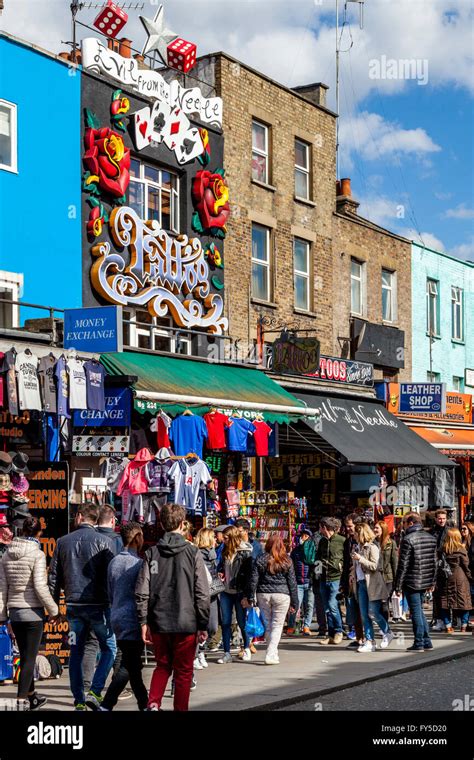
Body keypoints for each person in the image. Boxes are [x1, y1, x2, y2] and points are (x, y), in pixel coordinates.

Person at [135, 504, 210, 712]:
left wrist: (143, 621)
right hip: (187, 622)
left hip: (159, 620)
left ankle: (153, 703)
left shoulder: (151, 553)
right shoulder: (193, 553)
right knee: (184, 672)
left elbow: (142, 590)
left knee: (162, 665)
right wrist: (203, 623)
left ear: (161, 524)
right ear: (181, 523)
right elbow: (202, 592)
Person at [49, 503, 116, 711]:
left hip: (74, 608)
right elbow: (112, 577)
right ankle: (95, 690)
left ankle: (79, 699)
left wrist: (53, 609)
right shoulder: (105, 542)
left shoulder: (62, 542)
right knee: (109, 648)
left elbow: (54, 577)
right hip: (99, 606)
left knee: (75, 651)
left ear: (79, 517)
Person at [0, 516, 58, 710]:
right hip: (33, 614)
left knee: (25, 657)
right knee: (29, 659)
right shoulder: (37, 555)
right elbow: (41, 588)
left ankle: (31, 697)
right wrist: (54, 610)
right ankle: (20, 702)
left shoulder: (7, 554)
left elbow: (2, 589)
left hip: (15, 613)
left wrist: (2, 615)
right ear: (38, 533)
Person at [99, 522, 148, 711]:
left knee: (133, 667)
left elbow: (110, 592)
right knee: (129, 665)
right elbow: (142, 593)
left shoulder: (114, 562)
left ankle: (144, 704)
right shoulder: (137, 564)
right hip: (132, 619)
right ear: (138, 538)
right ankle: (106, 704)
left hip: (117, 615)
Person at [82, 504, 123, 695]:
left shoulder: (88, 538)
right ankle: (110, 685)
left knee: (91, 644)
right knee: (112, 644)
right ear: (113, 520)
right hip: (108, 599)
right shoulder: (116, 540)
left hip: (87, 596)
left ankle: (86, 684)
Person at [248, 533, 298, 665]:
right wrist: (295, 601)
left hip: (263, 594)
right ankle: (271, 653)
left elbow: (254, 579)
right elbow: (292, 582)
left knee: (268, 623)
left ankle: (272, 652)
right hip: (282, 594)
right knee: (277, 625)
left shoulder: (260, 558)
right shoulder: (286, 559)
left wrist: (250, 595)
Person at [394, 512, 437, 652]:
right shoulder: (431, 538)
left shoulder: (408, 539)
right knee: (419, 611)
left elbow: (403, 565)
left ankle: (419, 642)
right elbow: (434, 563)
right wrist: (432, 581)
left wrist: (398, 586)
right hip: (425, 580)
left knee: (416, 613)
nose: (403, 526)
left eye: (405, 523)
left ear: (411, 523)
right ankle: (427, 641)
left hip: (412, 580)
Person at [351, 522, 394, 652]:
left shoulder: (372, 547)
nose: (354, 535)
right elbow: (357, 566)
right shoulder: (357, 547)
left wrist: (360, 559)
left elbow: (375, 566)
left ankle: (387, 632)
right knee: (364, 615)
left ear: (361, 533)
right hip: (360, 583)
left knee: (373, 612)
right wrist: (353, 573)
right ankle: (370, 641)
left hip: (372, 584)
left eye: (356, 533)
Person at [216, 525, 253, 664]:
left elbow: (249, 575)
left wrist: (248, 595)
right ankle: (226, 653)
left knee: (242, 621)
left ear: (232, 537)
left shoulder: (245, 551)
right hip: (226, 591)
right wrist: (220, 571)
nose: (223, 540)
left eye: (226, 538)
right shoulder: (224, 550)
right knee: (225, 622)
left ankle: (246, 648)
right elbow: (221, 565)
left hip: (239, 591)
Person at [435, 528, 472, 633]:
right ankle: (464, 626)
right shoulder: (461, 550)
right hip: (460, 578)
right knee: (464, 603)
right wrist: (471, 578)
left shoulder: (442, 550)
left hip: (446, 578)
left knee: (445, 603)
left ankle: (448, 626)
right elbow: (466, 566)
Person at [316, 517, 345, 645]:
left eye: (320, 527)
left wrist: (340, 566)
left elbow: (346, 558)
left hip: (336, 578)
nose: (319, 530)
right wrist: (316, 575)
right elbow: (318, 558)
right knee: (327, 608)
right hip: (323, 578)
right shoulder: (322, 541)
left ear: (325, 527)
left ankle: (339, 631)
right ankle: (331, 634)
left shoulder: (341, 540)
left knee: (333, 605)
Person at [193, 528, 219, 670]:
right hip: (201, 594)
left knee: (213, 626)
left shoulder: (213, 555)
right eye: (213, 537)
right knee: (200, 625)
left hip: (213, 593)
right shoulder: (196, 554)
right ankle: (197, 654)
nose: (216, 540)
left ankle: (201, 651)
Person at [340, 514, 365, 646]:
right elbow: (345, 563)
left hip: (362, 579)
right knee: (354, 609)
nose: (348, 528)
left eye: (350, 526)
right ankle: (359, 637)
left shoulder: (364, 541)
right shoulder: (348, 541)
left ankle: (367, 638)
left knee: (363, 611)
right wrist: (344, 582)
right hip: (351, 580)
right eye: (347, 526)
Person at [287, 528, 315, 635]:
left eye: (306, 536)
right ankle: (291, 626)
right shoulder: (295, 551)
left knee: (309, 605)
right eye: (302, 536)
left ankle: (306, 627)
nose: (303, 538)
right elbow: (291, 566)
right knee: (295, 605)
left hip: (309, 582)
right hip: (298, 583)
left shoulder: (313, 551)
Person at [373, 521, 398, 621]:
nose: (375, 530)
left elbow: (394, 563)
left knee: (384, 602)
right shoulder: (372, 542)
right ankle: (382, 624)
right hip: (375, 578)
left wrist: (397, 583)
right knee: (378, 603)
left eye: (377, 528)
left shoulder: (391, 543)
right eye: (374, 528)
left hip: (387, 578)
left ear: (383, 530)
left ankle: (385, 627)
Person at [430, 509, 449, 630]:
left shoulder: (450, 531)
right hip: (435, 566)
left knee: (445, 595)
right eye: (439, 518)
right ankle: (438, 619)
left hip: (446, 566)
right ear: (436, 519)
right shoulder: (432, 531)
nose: (441, 520)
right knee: (436, 594)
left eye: (443, 518)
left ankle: (446, 620)